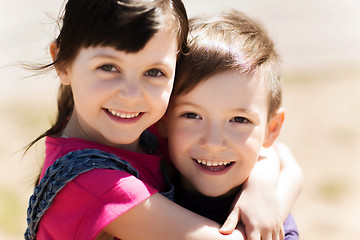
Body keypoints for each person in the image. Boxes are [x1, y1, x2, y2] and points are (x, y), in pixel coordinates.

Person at [23, 0, 301, 239]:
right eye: (108, 67)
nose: (132, 95)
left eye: (154, 72)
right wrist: (273, 206)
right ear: (62, 63)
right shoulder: (90, 184)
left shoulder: (147, 128)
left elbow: (279, 152)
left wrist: (261, 185)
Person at [161, 10, 303, 240]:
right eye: (192, 115)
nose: (213, 143)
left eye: (239, 120)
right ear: (163, 119)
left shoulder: (272, 225)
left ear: (272, 128)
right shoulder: (141, 174)